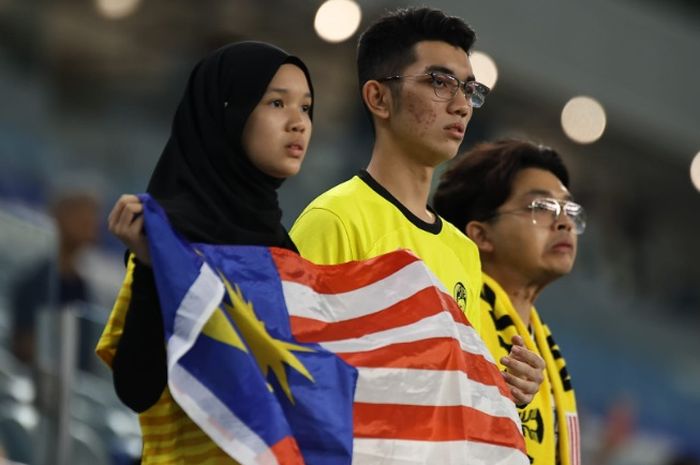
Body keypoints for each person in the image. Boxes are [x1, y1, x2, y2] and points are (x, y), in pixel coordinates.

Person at [290, 7, 544, 405]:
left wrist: (507, 389)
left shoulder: (462, 252)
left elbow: (450, 393)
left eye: (469, 90)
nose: (462, 105)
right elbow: (286, 368)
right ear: (378, 98)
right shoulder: (335, 220)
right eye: (440, 82)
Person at [96, 41, 313, 464]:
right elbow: (137, 389)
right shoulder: (171, 234)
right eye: (276, 103)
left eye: (306, 107)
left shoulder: (286, 251)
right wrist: (147, 264)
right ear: (228, 112)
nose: (298, 123)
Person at [433, 139, 584, 465]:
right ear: (481, 235)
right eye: (541, 208)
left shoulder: (540, 340)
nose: (564, 223)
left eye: (569, 210)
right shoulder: (450, 316)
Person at [10, 189, 100, 369]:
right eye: (83, 219)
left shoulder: (81, 288)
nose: (91, 226)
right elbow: (26, 349)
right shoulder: (34, 282)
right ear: (61, 217)